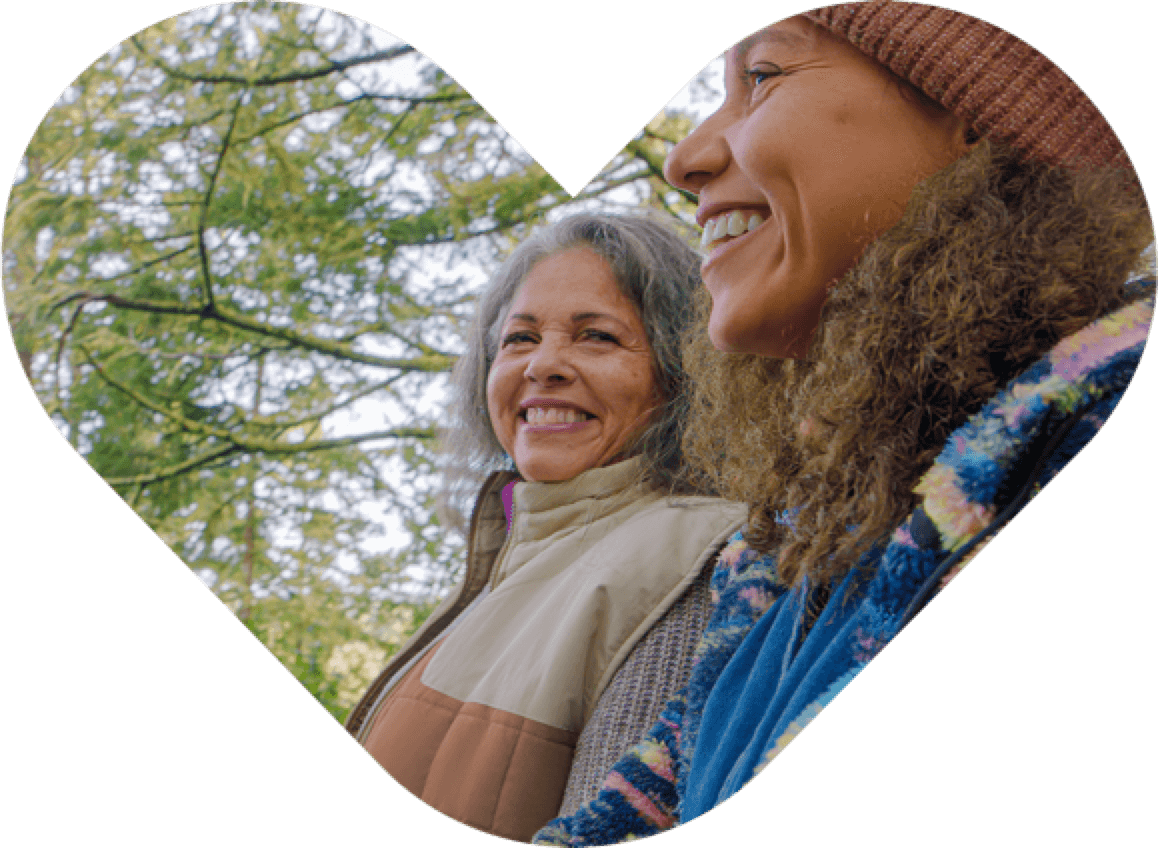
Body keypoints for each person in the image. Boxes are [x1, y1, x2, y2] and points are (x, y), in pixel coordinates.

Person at [533, 3, 1154, 844]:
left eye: (762, 77)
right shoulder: (774, 566)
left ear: (972, 114)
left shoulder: (1089, 419)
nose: (685, 158)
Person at [344, 213, 746, 842]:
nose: (544, 365)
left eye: (597, 337)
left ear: (680, 372)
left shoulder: (693, 559)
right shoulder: (511, 562)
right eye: (520, 339)